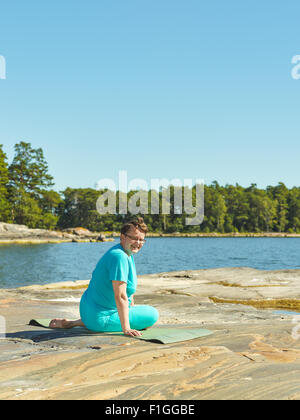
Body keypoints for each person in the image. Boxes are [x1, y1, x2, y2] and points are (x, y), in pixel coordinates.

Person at [49, 217, 159, 337]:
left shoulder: (126, 252)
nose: (138, 243)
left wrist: (131, 309)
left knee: (141, 316)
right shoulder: (119, 257)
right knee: (152, 315)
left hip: (90, 310)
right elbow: (120, 295)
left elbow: (127, 290)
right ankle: (89, 323)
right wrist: (126, 328)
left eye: (141, 240)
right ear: (122, 237)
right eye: (134, 238)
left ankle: (73, 323)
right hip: (100, 318)